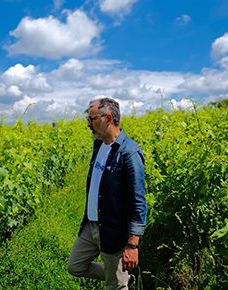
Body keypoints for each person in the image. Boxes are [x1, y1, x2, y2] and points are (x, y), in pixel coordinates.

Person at [68, 98, 148, 289]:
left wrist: (132, 245)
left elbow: (139, 202)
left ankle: (119, 280)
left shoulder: (129, 153)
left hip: (113, 231)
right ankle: (122, 277)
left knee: (115, 287)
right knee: (76, 267)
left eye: (92, 118)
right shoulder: (99, 144)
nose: (88, 124)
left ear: (108, 118)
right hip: (91, 225)